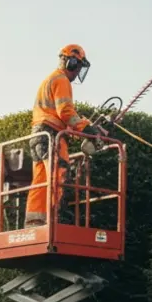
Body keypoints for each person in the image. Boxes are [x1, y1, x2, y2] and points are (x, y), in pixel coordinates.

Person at [25, 44, 106, 227]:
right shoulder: (62, 80)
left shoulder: (50, 79)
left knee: (41, 181)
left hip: (38, 136)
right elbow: (66, 112)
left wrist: (78, 130)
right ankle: (55, 221)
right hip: (52, 136)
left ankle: (34, 222)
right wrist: (87, 129)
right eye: (78, 66)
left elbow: (57, 115)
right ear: (71, 63)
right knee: (59, 177)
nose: (77, 72)